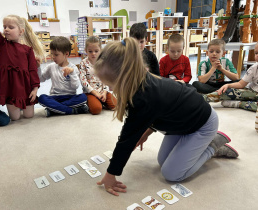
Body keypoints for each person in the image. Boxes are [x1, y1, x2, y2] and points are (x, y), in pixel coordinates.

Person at [94, 38, 238, 196]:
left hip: (203, 125)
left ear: (124, 78)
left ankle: (213, 144)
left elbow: (126, 141)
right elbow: (163, 109)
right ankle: (200, 146)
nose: (109, 88)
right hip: (182, 124)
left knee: (172, 174)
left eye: (110, 84)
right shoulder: (140, 82)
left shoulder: (143, 97)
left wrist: (110, 174)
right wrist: (147, 130)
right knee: (162, 162)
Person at [203, 41, 258, 133]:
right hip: (252, 91)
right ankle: (202, 98)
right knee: (226, 91)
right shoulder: (253, 68)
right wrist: (228, 85)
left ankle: (237, 104)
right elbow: (241, 84)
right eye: (256, 53)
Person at [38, 36, 88, 117]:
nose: (53, 57)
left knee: (83, 97)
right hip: (55, 97)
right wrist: (37, 67)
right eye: (52, 54)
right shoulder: (51, 67)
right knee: (41, 98)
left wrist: (72, 73)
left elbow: (75, 86)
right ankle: (71, 110)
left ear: (66, 54)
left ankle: (55, 109)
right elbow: (40, 79)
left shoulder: (73, 68)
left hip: (70, 97)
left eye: (56, 54)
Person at [79, 36, 116, 115]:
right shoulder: (83, 63)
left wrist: (105, 92)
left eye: (96, 51)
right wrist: (96, 94)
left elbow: (106, 78)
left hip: (102, 91)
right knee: (96, 110)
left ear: (100, 50)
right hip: (90, 92)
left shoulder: (103, 62)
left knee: (116, 106)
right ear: (86, 51)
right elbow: (83, 81)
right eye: (90, 51)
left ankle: (100, 100)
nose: (93, 54)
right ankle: (93, 101)